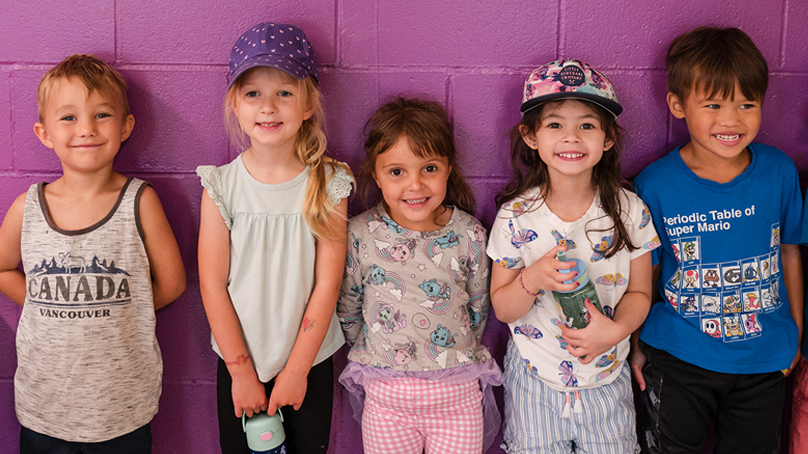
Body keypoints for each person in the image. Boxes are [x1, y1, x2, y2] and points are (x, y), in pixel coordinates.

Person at [630, 26, 804, 453]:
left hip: (764, 362)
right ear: (677, 104)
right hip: (678, 356)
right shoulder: (653, 184)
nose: (732, 120)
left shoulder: (778, 172)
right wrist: (636, 346)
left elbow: (790, 253)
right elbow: (644, 274)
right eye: (713, 105)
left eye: (748, 104)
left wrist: (795, 335)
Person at [0, 54, 186, 453]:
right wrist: (43, 302)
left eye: (102, 115)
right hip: (43, 409)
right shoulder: (27, 207)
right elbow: (1, 269)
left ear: (126, 126)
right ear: (44, 132)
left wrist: (120, 308)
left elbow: (171, 283)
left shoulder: (141, 202)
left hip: (120, 412)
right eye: (68, 118)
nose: (86, 129)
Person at [487, 58, 660, 454]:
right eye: (554, 125)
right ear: (530, 136)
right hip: (535, 379)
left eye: (586, 125)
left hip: (607, 379)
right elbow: (503, 308)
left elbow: (639, 294)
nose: (571, 137)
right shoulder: (516, 216)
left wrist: (616, 332)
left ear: (608, 137)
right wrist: (533, 279)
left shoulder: (631, 211)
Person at [196, 22, 353, 454]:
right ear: (235, 103)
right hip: (238, 361)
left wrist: (298, 368)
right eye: (253, 93)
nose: (268, 106)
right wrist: (242, 372)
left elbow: (327, 284)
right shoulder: (221, 186)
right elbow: (212, 285)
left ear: (307, 104)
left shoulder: (330, 182)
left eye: (284, 92)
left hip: (309, 361)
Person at [337, 97, 502, 454]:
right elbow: (348, 307)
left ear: (448, 169)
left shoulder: (468, 234)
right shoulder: (360, 234)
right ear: (377, 175)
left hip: (457, 397)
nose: (415, 185)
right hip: (387, 398)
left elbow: (477, 307)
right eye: (397, 172)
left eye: (429, 168)